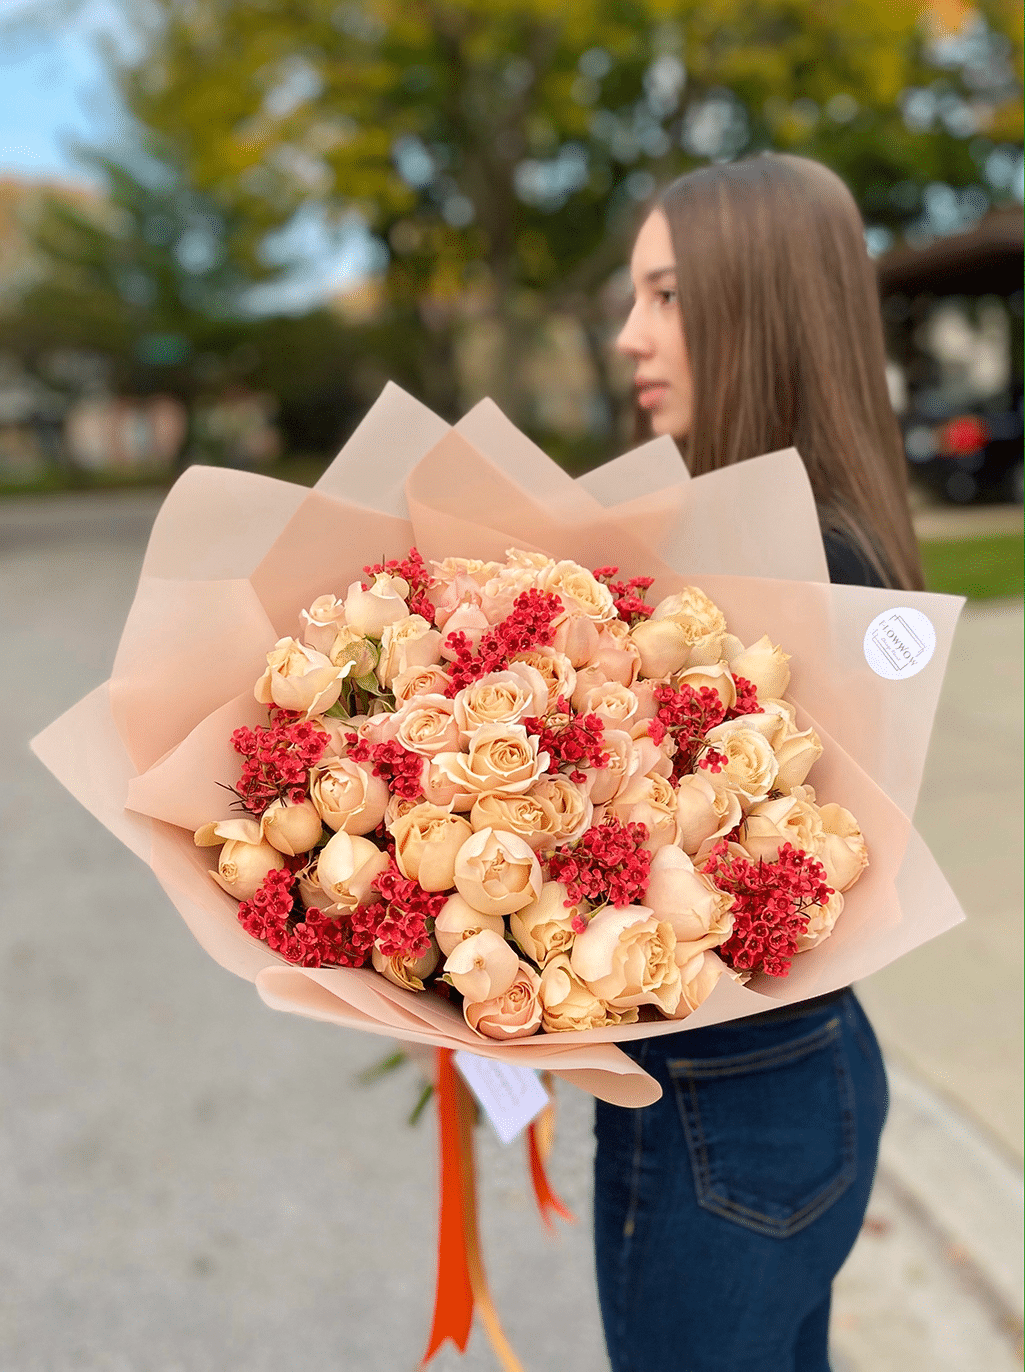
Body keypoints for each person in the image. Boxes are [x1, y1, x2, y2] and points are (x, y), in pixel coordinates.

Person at [594, 152, 922, 1372]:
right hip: (798, 1081)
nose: (630, 335)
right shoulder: (811, 541)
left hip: (720, 1105)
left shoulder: (795, 577)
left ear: (761, 305)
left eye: (667, 295)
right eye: (633, 297)